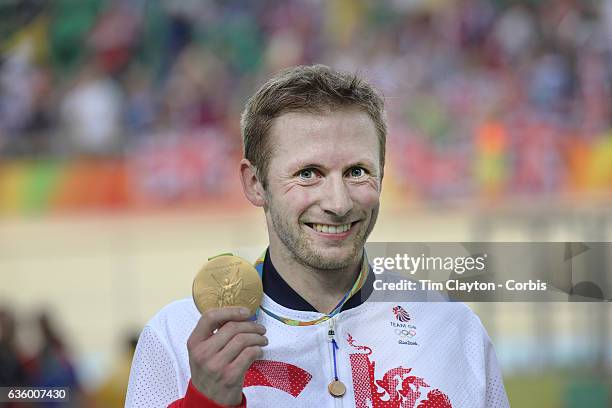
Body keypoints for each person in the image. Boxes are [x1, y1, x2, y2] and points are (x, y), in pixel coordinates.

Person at [126, 65, 510, 408]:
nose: (338, 203)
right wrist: (204, 403)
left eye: (357, 171)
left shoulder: (453, 329)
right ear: (255, 183)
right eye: (308, 173)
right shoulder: (176, 336)